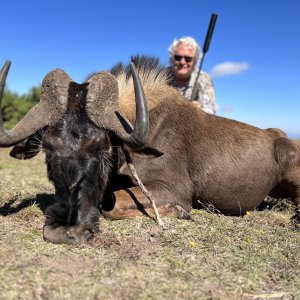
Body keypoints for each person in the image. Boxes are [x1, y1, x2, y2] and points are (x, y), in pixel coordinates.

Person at [168, 36, 217, 114]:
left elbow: (211, 111)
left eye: (188, 59)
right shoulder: (160, 76)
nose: (182, 62)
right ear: (171, 58)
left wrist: (200, 110)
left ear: (195, 61)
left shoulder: (204, 79)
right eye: (178, 57)